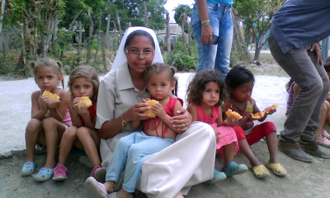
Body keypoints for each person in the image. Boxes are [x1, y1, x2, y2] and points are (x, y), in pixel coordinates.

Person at [89, 26, 218, 198]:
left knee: (204, 130)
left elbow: (173, 110)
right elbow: (103, 131)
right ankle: (170, 181)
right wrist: (127, 116)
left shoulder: (161, 77)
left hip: (161, 139)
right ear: (125, 52)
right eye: (134, 51)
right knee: (139, 158)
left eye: (147, 51)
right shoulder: (109, 82)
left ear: (154, 53)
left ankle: (154, 175)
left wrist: (186, 117)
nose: (141, 57)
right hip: (125, 139)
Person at [85, 63, 185, 198]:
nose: (158, 89)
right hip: (144, 136)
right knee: (123, 142)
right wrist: (137, 115)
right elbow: (134, 127)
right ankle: (109, 182)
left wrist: (163, 114)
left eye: (163, 85)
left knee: (135, 151)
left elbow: (177, 128)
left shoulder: (174, 103)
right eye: (154, 85)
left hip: (164, 141)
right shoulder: (148, 101)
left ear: (172, 86)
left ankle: (126, 192)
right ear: (147, 86)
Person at [268, 0, 330, 163]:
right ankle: (288, 139)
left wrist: (314, 39)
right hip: (285, 32)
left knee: (324, 83)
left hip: (303, 38)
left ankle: (307, 138)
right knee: (313, 84)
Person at [223, 66, 287, 178]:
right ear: (231, 89)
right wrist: (246, 120)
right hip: (235, 140)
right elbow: (229, 126)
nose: (248, 94)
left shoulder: (250, 102)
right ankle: (254, 162)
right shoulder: (228, 105)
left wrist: (266, 112)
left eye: (250, 90)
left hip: (249, 136)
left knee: (270, 126)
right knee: (236, 129)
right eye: (244, 91)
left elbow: (260, 117)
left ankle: (273, 160)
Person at [186, 70, 248, 180]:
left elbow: (219, 124)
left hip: (215, 138)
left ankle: (228, 164)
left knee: (229, 130)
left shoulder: (217, 107)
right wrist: (209, 130)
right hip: (199, 140)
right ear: (198, 91)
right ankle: (207, 171)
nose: (213, 96)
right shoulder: (194, 107)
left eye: (217, 91)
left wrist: (226, 123)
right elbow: (193, 129)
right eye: (208, 91)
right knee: (211, 136)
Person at [21, 58, 72, 182]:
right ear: (35, 79)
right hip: (45, 135)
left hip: (61, 135)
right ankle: (30, 160)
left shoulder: (63, 94)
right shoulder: (35, 95)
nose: (45, 81)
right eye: (40, 78)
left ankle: (50, 163)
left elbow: (60, 118)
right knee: (32, 123)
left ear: (59, 78)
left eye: (49, 77)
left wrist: (52, 109)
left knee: (49, 121)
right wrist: (43, 109)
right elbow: (34, 118)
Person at [53, 65, 101, 181]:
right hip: (80, 142)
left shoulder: (98, 100)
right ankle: (60, 166)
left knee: (82, 131)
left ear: (94, 87)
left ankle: (97, 168)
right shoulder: (71, 100)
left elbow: (95, 128)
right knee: (72, 129)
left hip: (95, 140)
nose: (81, 91)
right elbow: (76, 125)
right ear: (71, 87)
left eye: (86, 86)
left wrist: (85, 115)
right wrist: (75, 112)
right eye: (76, 87)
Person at [191, 0, 233, 79]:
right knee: (207, 66)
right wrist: (205, 23)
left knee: (223, 66)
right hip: (208, 10)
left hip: (227, 10)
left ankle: (221, 91)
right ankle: (198, 91)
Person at [285, 78, 330, 148]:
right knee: (323, 106)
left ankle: (320, 129)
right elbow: (297, 106)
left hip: (307, 109)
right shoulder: (298, 85)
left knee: (326, 104)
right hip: (294, 114)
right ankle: (317, 135)